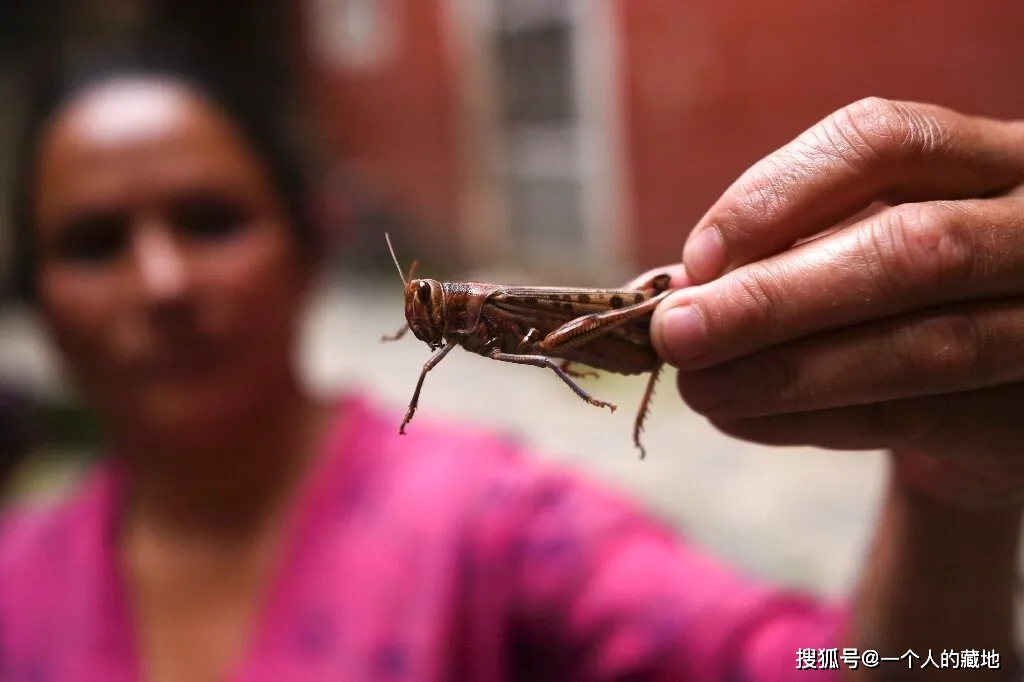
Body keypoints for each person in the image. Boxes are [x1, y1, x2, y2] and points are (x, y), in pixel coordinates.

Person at [0, 42, 1018, 680]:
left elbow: (849, 666)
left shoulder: (499, 524)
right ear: (37, 293)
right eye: (95, 242)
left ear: (307, 245)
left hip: (606, 316)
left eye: (211, 220)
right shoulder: (17, 578)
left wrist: (953, 497)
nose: (165, 282)